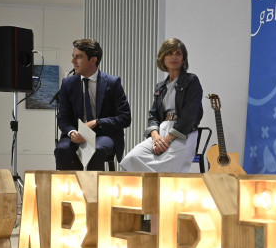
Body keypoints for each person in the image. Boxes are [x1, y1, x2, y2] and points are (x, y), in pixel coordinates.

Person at [120, 38, 204, 172]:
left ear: (183, 58)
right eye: (169, 53)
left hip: (183, 133)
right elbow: (153, 115)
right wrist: (155, 135)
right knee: (132, 158)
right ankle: (146, 193)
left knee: (168, 171)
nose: (174, 57)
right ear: (162, 57)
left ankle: (162, 192)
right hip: (161, 131)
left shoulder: (191, 80)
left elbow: (190, 115)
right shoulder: (161, 86)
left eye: (178, 53)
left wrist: (168, 139)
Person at [54, 39, 131, 171]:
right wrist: (72, 132)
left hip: (104, 134)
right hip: (76, 133)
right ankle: (70, 191)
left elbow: (125, 118)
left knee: (96, 150)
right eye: (73, 56)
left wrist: (97, 122)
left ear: (93, 60)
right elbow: (63, 118)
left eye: (78, 57)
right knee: (62, 150)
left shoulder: (112, 83)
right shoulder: (68, 83)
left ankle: (94, 191)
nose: (73, 61)